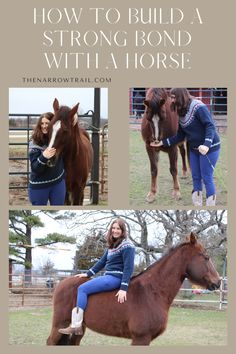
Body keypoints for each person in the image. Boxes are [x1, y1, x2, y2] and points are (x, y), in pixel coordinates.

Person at [58, 218, 135, 336]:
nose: (115, 231)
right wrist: (88, 274)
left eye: (118, 229)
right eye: (113, 228)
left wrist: (123, 288)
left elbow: (128, 268)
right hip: (108, 276)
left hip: (114, 278)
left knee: (82, 289)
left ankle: (76, 325)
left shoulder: (127, 245)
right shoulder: (113, 245)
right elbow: (102, 262)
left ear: (123, 230)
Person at [151, 88, 220, 206]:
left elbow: (210, 126)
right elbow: (180, 136)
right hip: (194, 149)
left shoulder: (199, 107)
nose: (171, 100)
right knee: (196, 177)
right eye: (171, 97)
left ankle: (210, 205)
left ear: (181, 96)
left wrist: (206, 144)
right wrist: (162, 143)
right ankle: (197, 203)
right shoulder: (180, 111)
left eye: (173, 97)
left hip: (210, 148)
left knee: (206, 177)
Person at [28, 112, 66, 205]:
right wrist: (43, 157)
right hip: (40, 186)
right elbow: (35, 168)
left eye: (47, 123)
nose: (44, 126)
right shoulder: (34, 143)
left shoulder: (59, 140)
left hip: (58, 183)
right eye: (42, 123)